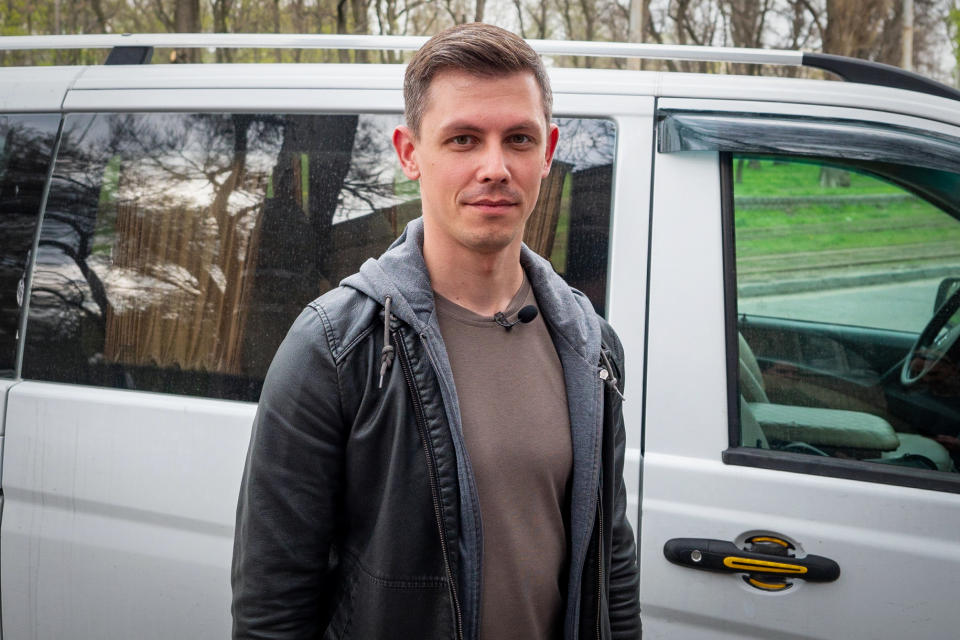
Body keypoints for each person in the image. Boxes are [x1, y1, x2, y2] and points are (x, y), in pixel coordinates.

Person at [232, 22, 640, 640]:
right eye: (464, 139)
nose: (495, 167)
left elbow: (610, 564)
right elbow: (273, 606)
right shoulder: (336, 349)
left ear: (549, 150)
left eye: (519, 139)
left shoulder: (590, 345)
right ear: (409, 152)